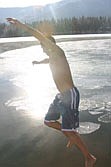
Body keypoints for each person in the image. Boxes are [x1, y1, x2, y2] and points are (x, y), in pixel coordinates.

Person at [6, 18, 96, 167]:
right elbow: (48, 60)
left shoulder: (58, 52)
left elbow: (39, 35)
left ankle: (89, 157)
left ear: (50, 45)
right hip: (61, 96)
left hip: (70, 95)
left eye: (44, 46)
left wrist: (21, 24)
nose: (43, 48)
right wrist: (38, 62)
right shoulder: (53, 57)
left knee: (68, 130)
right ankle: (70, 133)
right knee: (48, 121)